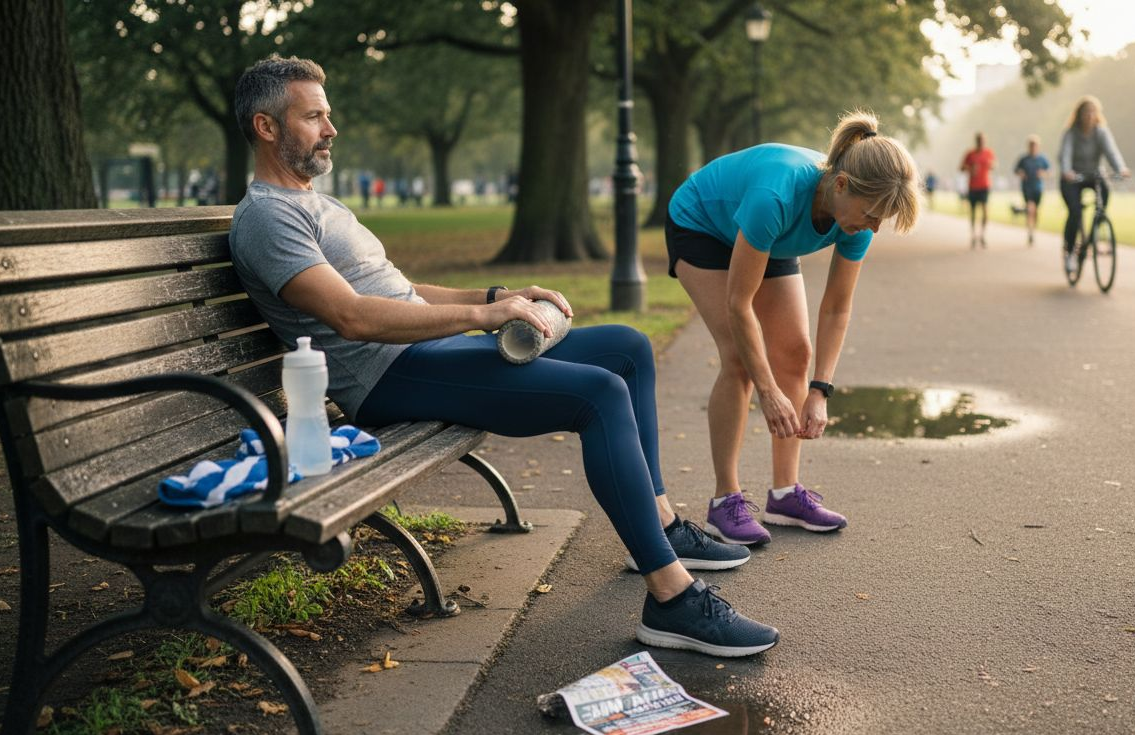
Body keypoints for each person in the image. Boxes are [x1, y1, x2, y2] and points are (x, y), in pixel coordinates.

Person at [228, 55, 778, 657]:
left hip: (426, 350)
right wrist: (484, 318)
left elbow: (402, 293)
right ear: (267, 127)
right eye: (313, 117)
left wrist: (499, 296)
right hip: (387, 376)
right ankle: (672, 599)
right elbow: (353, 317)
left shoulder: (320, 204)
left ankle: (663, 525)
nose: (331, 128)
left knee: (626, 347)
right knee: (598, 394)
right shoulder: (267, 217)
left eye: (328, 115)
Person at [665, 110, 920, 546]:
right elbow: (738, 303)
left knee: (796, 353)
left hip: (772, 236)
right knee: (740, 360)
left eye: (882, 219)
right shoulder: (776, 195)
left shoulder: (856, 219)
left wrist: (820, 390)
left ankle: (784, 494)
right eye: (873, 214)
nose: (873, 227)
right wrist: (769, 392)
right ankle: (724, 501)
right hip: (703, 225)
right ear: (841, 184)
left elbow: (836, 309)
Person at [1058, 96, 1130, 275]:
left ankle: (1093, 233)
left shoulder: (1101, 132)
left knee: (1103, 200)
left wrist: (1120, 169)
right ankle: (1070, 252)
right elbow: (1065, 154)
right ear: (1079, 115)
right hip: (1073, 177)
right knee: (1075, 212)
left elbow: (1111, 152)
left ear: (1097, 115)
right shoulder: (1071, 133)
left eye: (1093, 112)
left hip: (1093, 175)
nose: (1089, 116)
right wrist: (1067, 171)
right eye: (1086, 113)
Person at [959, 132, 995, 248]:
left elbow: (994, 165)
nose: (981, 142)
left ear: (985, 141)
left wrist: (991, 165)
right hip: (973, 186)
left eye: (983, 140)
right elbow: (961, 168)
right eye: (979, 140)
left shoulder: (989, 153)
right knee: (973, 211)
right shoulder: (970, 154)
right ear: (976, 141)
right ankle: (973, 235)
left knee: (985, 210)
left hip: (984, 186)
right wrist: (970, 168)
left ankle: (982, 235)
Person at [1013, 135, 1050, 246]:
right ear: (1028, 146)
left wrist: (1043, 174)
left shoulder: (1042, 159)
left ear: (1038, 147)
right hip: (1027, 187)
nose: (1033, 147)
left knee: (1036, 211)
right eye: (1031, 145)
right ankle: (1030, 233)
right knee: (1030, 209)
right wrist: (1021, 173)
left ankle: (1033, 229)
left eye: (1035, 145)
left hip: (1038, 188)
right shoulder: (1023, 159)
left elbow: (1049, 172)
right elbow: (1015, 170)